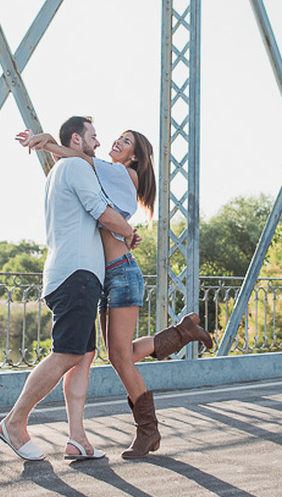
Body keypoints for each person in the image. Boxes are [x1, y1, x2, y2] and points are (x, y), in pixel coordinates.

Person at [17, 125, 214, 459]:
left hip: (121, 272)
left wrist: (50, 142)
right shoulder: (106, 175)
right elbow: (76, 163)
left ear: (135, 156)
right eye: (118, 137)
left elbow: (80, 160)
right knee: (115, 354)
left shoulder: (124, 175)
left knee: (121, 358)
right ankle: (180, 333)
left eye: (127, 142)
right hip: (107, 276)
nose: (117, 142)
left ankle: (148, 431)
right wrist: (51, 144)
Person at [0, 116, 138, 462]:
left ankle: (78, 439)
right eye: (93, 136)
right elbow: (102, 212)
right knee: (69, 353)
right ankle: (14, 422)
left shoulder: (64, 169)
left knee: (82, 358)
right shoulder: (75, 168)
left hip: (75, 274)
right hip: (76, 274)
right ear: (77, 140)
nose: (99, 143)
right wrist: (129, 233)